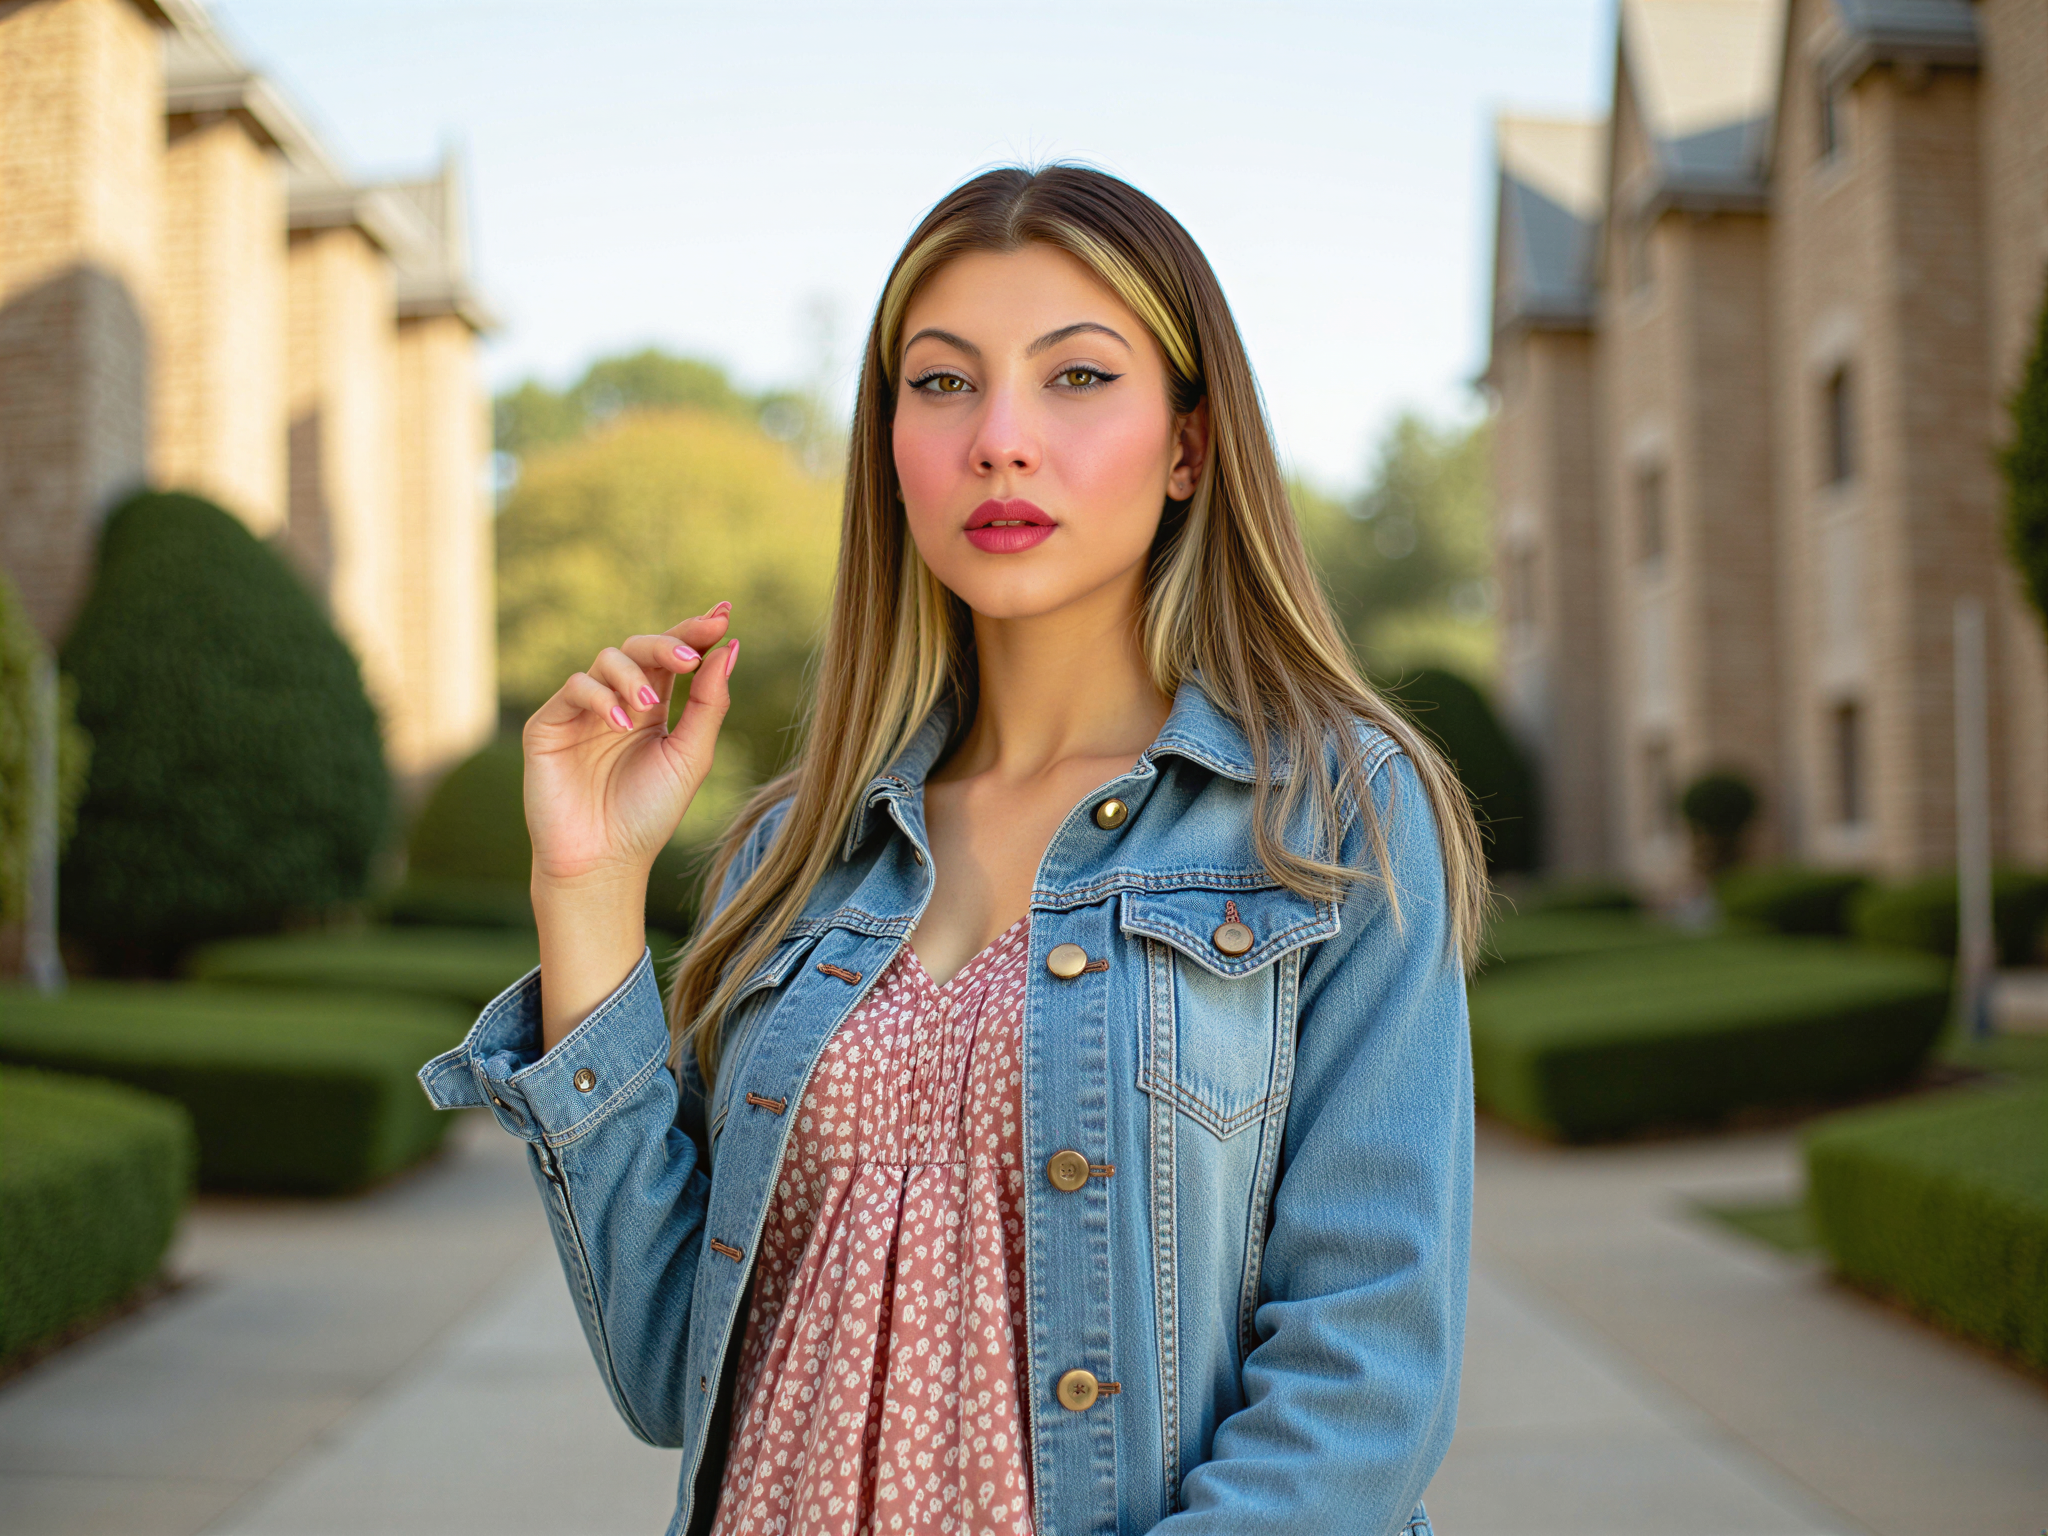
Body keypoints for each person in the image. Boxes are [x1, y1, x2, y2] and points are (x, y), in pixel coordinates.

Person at [421, 164, 1481, 1536]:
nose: (999, 439)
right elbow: (671, 1372)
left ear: (1189, 447)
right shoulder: (796, 856)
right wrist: (586, 891)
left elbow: (1367, 1374)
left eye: (1079, 377)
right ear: (893, 444)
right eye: (942, 382)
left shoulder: (1327, 816)